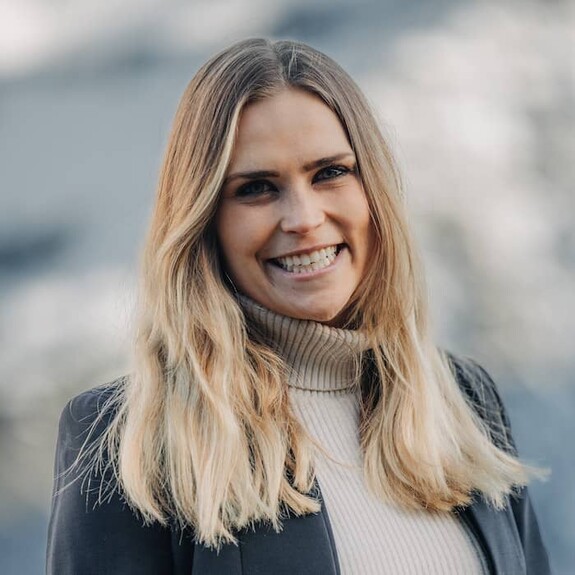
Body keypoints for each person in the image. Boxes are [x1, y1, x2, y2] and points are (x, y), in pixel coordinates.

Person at [46, 38, 550, 574]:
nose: (304, 218)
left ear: (373, 189)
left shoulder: (465, 401)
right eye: (258, 188)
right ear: (204, 220)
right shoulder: (127, 442)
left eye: (330, 172)